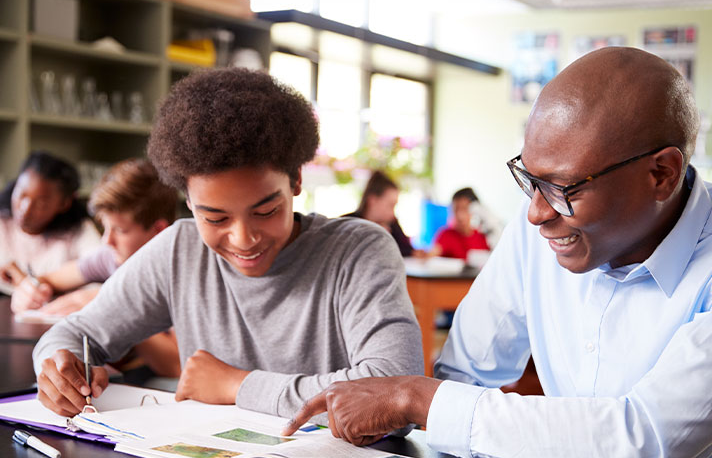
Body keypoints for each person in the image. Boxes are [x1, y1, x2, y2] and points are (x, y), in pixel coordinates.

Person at [283, 47, 712, 458]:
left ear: (661, 174)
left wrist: (414, 398)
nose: (535, 212)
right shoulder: (541, 231)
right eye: (529, 179)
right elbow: (465, 374)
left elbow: (644, 443)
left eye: (564, 187)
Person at [32, 68, 423, 418]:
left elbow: (395, 389)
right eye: (215, 217)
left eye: (266, 211)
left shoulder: (360, 251)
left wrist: (237, 386)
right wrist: (58, 368)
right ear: (188, 202)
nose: (244, 239)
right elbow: (70, 335)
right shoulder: (178, 251)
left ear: (296, 182)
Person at [13, 158, 181, 378]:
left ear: (158, 231)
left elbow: (178, 364)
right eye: (104, 227)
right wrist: (30, 289)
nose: (106, 240)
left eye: (120, 230)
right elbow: (50, 280)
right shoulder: (112, 257)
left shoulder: (179, 271)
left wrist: (115, 310)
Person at [0, 151, 100, 286]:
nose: (25, 209)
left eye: (41, 203)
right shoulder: (3, 219)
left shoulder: (80, 231)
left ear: (64, 204)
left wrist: (30, 284)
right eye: (21, 195)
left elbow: (101, 274)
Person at [344, 170, 417, 257]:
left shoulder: (392, 224)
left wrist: (418, 254)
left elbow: (408, 251)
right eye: (390, 205)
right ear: (373, 201)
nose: (392, 213)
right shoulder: (347, 225)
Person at [429, 187, 490, 260]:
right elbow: (432, 253)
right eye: (456, 209)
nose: (460, 215)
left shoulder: (483, 237)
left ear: (474, 209)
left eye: (464, 209)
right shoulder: (446, 235)